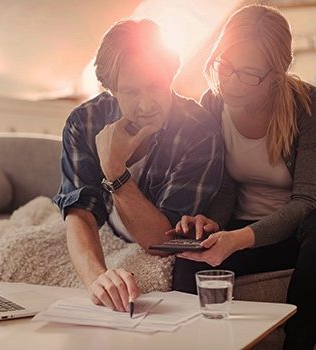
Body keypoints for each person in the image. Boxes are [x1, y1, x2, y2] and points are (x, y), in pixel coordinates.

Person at [169, 5, 316, 350]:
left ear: (277, 74)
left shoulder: (311, 104)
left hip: (300, 239)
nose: (231, 81)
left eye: (248, 73)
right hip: (240, 228)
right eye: (226, 66)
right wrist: (213, 224)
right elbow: (227, 184)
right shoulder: (214, 103)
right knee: (188, 259)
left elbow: (306, 201)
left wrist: (237, 239)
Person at [53, 19, 223, 313]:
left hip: (147, 235)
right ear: (110, 90)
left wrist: (114, 167)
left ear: (170, 75)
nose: (146, 105)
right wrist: (97, 279)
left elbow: (159, 241)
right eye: (131, 92)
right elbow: (80, 212)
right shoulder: (84, 123)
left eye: (155, 86)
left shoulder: (199, 131)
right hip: (106, 228)